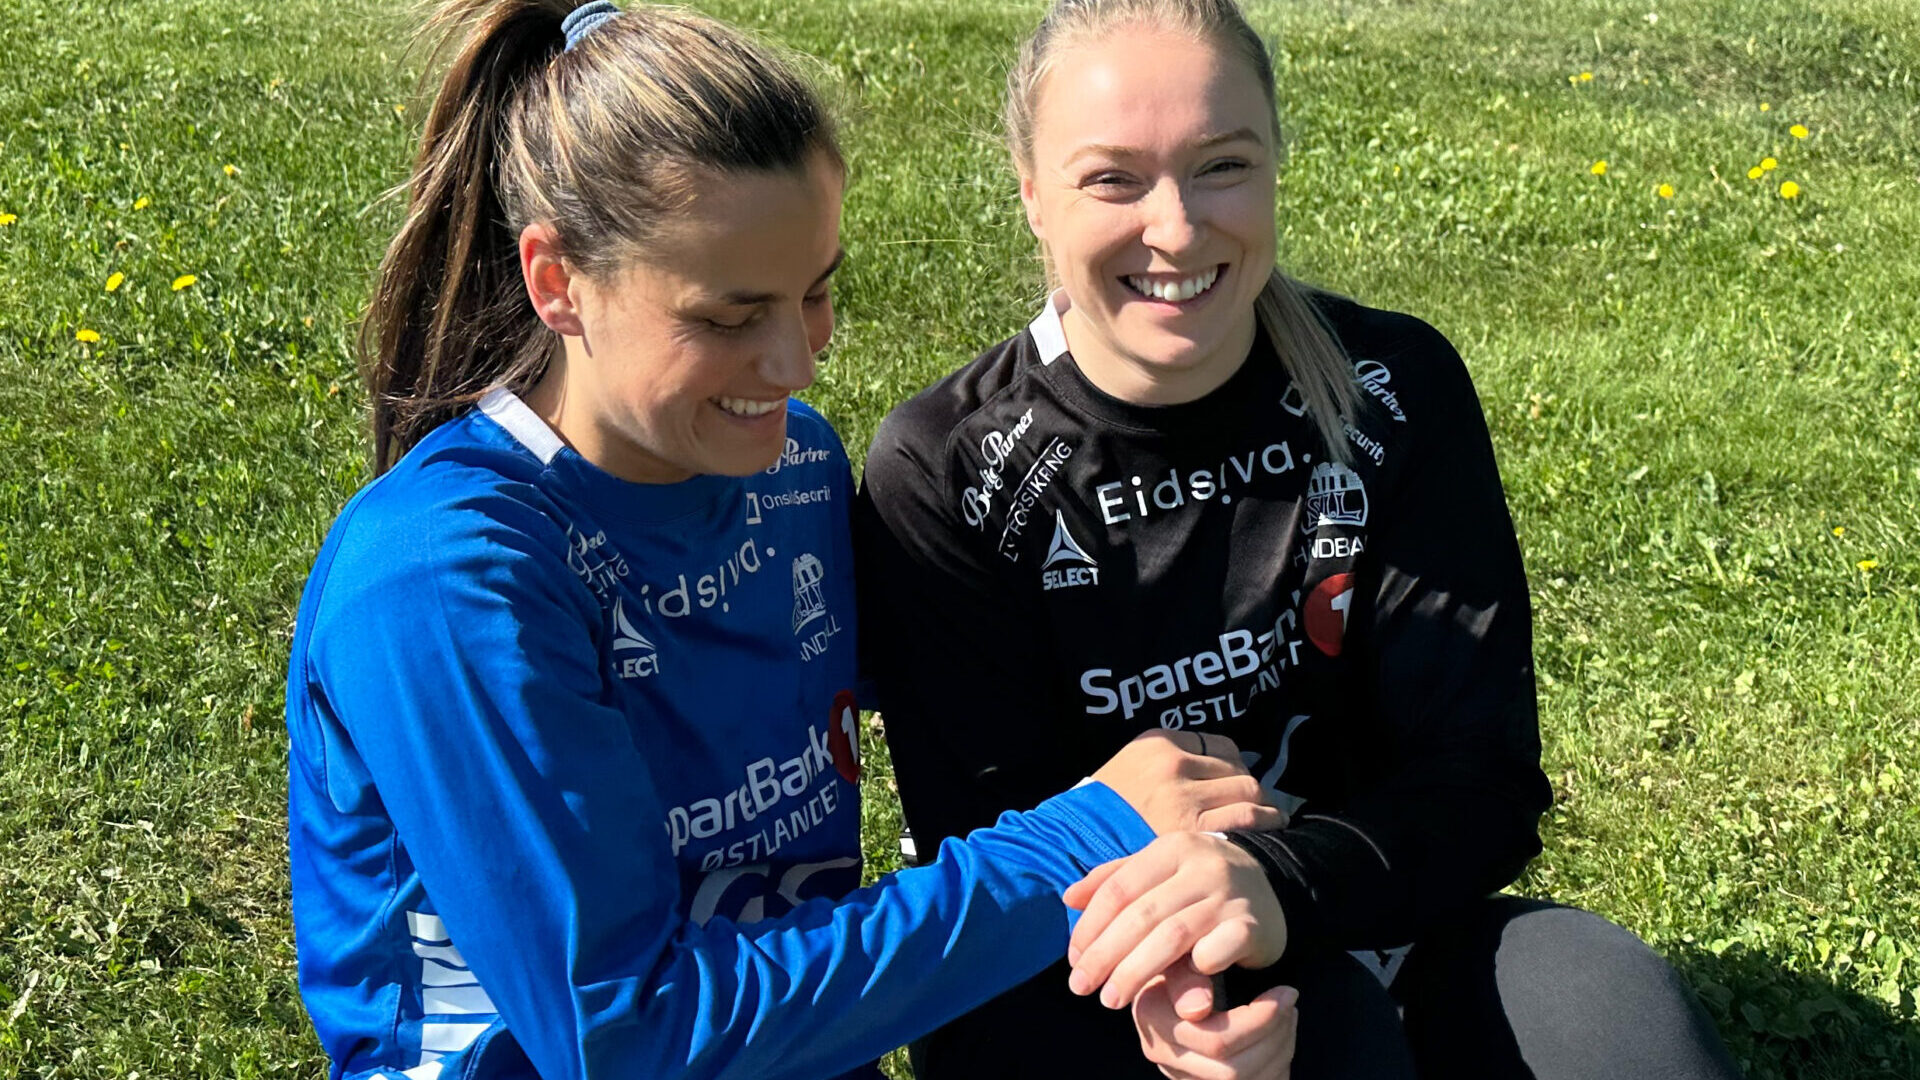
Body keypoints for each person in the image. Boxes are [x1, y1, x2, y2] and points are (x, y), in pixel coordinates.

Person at [282, 3, 1283, 1079]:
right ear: (557, 284)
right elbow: (633, 1041)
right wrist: (1080, 844)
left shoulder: (793, 467)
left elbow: (987, 697)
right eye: (727, 317)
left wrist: (1156, 925)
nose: (796, 364)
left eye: (815, 292)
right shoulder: (447, 577)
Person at [855, 1, 1748, 1077]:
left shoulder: (1390, 391)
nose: (1176, 229)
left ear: (1277, 162)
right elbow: (988, 865)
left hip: (1370, 904)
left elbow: (1482, 786)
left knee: (1606, 1009)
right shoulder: (948, 470)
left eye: (1222, 166)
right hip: (1086, 969)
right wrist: (1181, 992)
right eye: (1113, 179)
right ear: (1032, 193)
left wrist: (1282, 887)